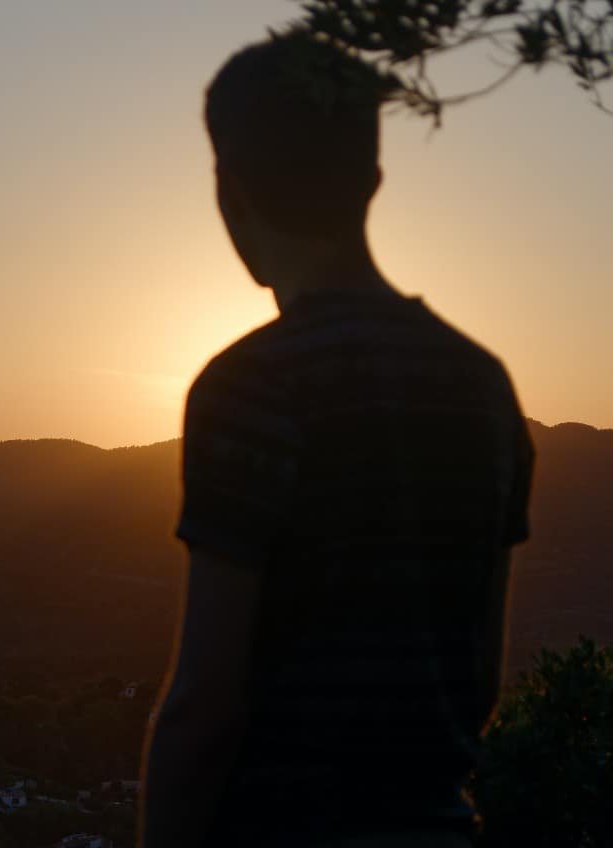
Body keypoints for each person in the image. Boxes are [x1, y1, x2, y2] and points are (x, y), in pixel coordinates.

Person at [138, 33, 534, 848]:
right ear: (373, 180)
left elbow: (205, 707)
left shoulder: (250, 387)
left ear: (227, 188)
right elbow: (479, 680)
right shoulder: (485, 387)